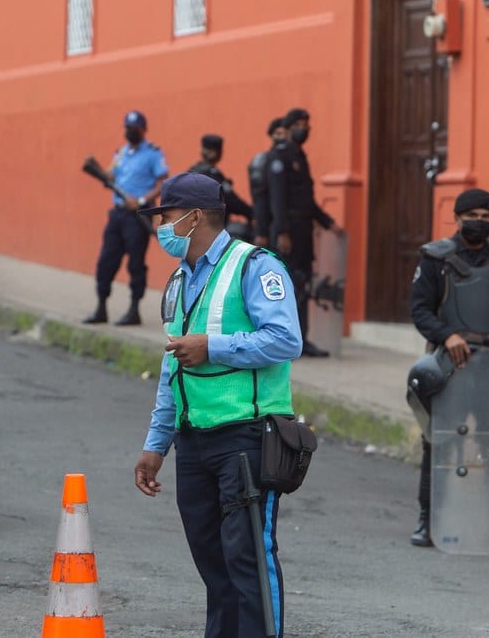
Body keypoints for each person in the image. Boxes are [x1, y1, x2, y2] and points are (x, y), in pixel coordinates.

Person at [133, 172, 302, 638]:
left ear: (195, 217)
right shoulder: (181, 278)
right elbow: (173, 366)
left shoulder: (255, 266)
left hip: (245, 437)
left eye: (166, 215)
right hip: (194, 441)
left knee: (248, 559)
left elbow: (286, 340)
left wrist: (214, 346)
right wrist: (157, 443)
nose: (160, 225)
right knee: (214, 567)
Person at [407, 187, 489, 547]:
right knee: (440, 444)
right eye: (473, 217)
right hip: (450, 367)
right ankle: (428, 520)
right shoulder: (435, 259)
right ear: (458, 219)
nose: (481, 223)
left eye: (487, 218)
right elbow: (419, 309)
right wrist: (446, 335)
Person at [82, 110, 169, 326]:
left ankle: (134, 310)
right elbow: (111, 176)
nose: (130, 132)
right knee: (106, 261)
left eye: (134, 128)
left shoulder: (153, 153)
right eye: (127, 128)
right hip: (118, 213)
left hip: (138, 215)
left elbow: (161, 183)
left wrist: (140, 200)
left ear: (143, 129)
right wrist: (99, 170)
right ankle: (101, 307)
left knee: (136, 264)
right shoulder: (120, 153)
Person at [266, 107, 339, 358]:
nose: (304, 128)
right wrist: (283, 232)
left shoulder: (300, 156)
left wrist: (327, 222)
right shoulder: (279, 157)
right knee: (287, 286)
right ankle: (282, 339)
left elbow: (307, 200)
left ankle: (301, 339)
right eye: (299, 123)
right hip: (289, 231)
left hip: (304, 230)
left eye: (307, 124)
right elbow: (277, 199)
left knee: (303, 285)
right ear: (288, 128)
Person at [188, 133, 255, 241]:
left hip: (195, 227)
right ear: (216, 153)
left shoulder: (192, 171)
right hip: (213, 228)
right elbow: (231, 200)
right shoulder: (213, 175)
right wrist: (252, 213)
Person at [248, 117, 287, 248]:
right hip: (271, 227)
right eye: (278, 134)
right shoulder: (263, 161)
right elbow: (260, 198)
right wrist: (261, 231)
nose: (282, 137)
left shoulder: (291, 161)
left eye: (285, 134)